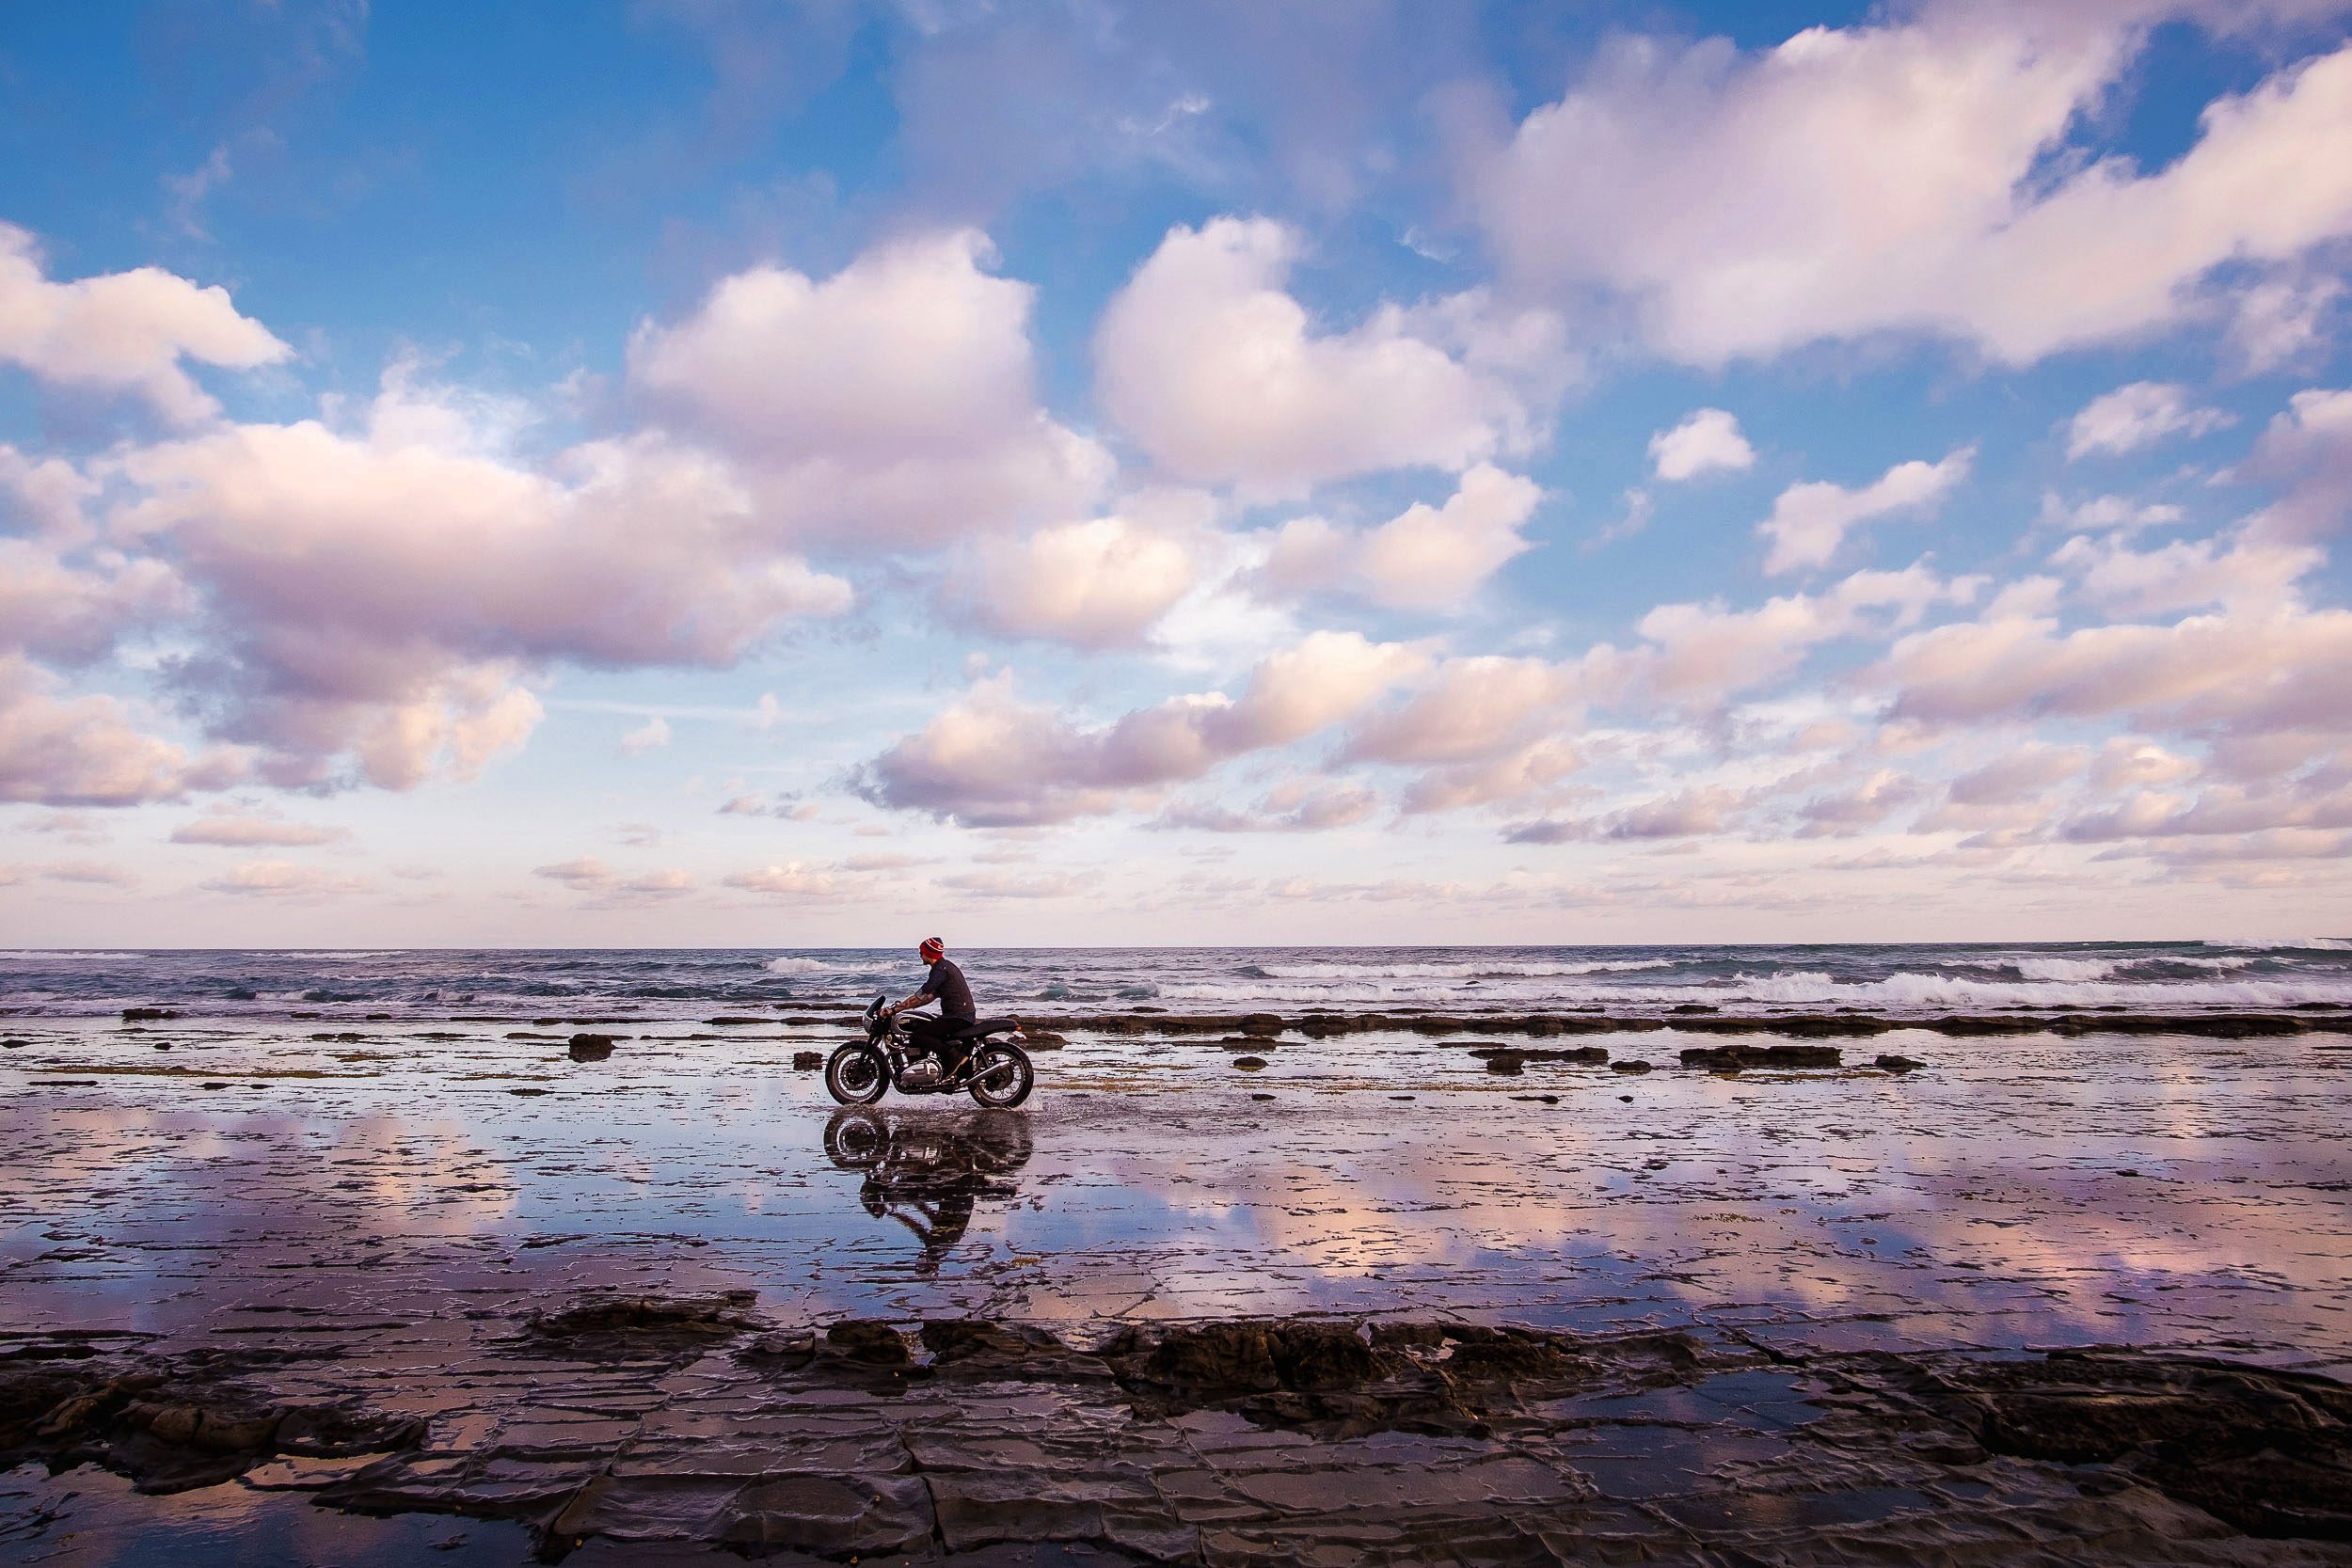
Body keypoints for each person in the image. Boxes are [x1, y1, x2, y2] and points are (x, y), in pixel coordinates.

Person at [886, 936, 979, 1078]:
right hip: (961, 1015)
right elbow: (928, 998)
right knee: (924, 1027)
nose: (920, 955)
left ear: (929, 953)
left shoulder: (940, 970)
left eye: (921, 952)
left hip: (957, 1017)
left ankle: (953, 1056)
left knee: (918, 1036)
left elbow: (921, 995)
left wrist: (894, 1010)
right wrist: (904, 1007)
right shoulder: (945, 966)